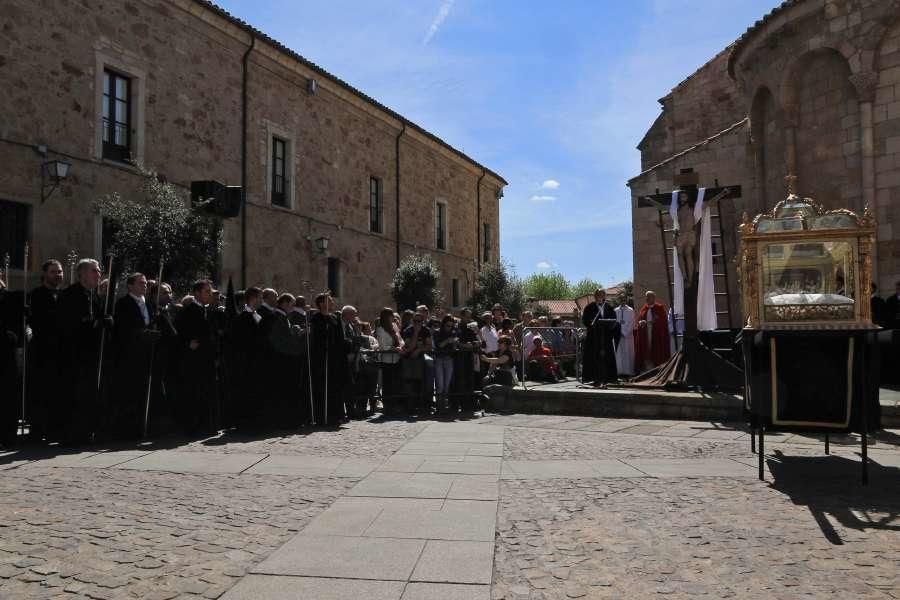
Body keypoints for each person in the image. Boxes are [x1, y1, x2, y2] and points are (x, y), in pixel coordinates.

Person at [57, 258, 111, 444]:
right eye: (95, 271)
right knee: (74, 395)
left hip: (92, 355)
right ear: (82, 274)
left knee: (89, 395)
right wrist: (95, 323)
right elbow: (69, 324)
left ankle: (88, 431)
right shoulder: (69, 295)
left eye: (99, 271)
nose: (99, 275)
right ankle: (72, 435)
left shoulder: (95, 296)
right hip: (74, 355)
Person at [111, 273, 158, 438]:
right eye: (140, 283)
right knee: (131, 391)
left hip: (147, 353)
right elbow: (122, 328)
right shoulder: (123, 303)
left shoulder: (151, 304)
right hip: (131, 354)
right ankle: (128, 428)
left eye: (145, 283)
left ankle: (145, 426)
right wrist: (139, 334)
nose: (144, 285)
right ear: (130, 286)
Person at [27, 259, 64, 440]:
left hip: (60, 351)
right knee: (41, 392)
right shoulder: (37, 294)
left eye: (59, 272)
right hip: (42, 351)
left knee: (57, 393)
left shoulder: (64, 295)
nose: (57, 275)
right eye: (53, 272)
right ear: (45, 275)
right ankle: (38, 430)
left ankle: (54, 429)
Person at [175, 279, 216, 435]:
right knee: (195, 393)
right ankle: (195, 426)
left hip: (206, 359)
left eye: (210, 291)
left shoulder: (206, 310)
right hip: (194, 361)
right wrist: (188, 343)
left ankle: (206, 425)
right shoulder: (189, 311)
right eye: (207, 291)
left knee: (205, 393)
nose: (210, 294)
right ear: (197, 293)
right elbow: (179, 333)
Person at [309, 292, 345, 425]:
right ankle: (322, 416)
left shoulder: (334, 318)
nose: (332, 303)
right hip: (322, 359)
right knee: (323, 388)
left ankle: (335, 415)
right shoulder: (316, 318)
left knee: (335, 388)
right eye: (329, 301)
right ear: (321, 303)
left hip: (334, 359)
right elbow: (317, 339)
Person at [581, 289, 618, 387]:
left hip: (606, 337)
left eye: (602, 295)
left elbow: (614, 320)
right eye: (599, 295)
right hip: (594, 337)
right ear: (595, 296)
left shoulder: (609, 307)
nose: (601, 297)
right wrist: (591, 323)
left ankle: (608, 378)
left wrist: (611, 325)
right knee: (594, 357)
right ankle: (594, 378)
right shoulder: (589, 307)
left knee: (606, 356)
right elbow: (585, 320)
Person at [374, 307, 403, 415]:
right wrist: (394, 348)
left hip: (396, 358)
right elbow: (383, 346)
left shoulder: (394, 326)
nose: (393, 317)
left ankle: (395, 404)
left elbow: (400, 339)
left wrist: (401, 346)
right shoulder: (381, 329)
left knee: (395, 383)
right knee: (388, 383)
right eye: (391, 315)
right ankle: (388, 405)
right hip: (387, 359)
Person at [634, 290, 671, 373]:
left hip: (656, 333)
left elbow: (663, 322)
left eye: (648, 297)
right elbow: (640, 319)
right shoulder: (644, 308)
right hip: (646, 333)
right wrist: (640, 323)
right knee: (646, 350)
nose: (646, 299)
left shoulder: (659, 308)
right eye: (646, 297)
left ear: (653, 298)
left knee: (656, 350)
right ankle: (647, 369)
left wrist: (654, 322)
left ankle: (657, 369)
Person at [433, 315, 458, 413]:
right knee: (440, 384)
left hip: (449, 359)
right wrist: (448, 340)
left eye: (451, 326)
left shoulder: (453, 333)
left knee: (446, 385)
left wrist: (455, 343)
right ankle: (439, 406)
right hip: (439, 359)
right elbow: (439, 345)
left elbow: (454, 347)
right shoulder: (437, 332)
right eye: (448, 326)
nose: (450, 328)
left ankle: (444, 405)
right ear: (443, 324)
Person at [614, 296, 636, 377]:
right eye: (621, 299)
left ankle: (628, 372)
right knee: (619, 353)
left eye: (624, 299)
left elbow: (632, 323)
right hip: (618, 335)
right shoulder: (616, 310)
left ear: (626, 300)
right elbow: (615, 322)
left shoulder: (630, 310)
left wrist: (624, 332)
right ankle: (619, 371)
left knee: (628, 353)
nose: (622, 301)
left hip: (627, 336)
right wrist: (618, 332)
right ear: (619, 300)